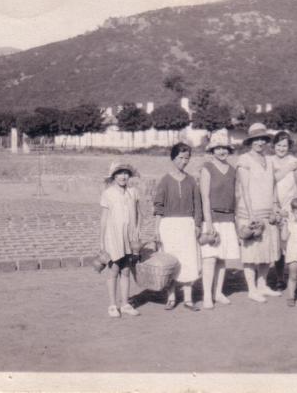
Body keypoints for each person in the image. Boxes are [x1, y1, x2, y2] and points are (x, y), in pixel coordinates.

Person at [154, 142, 203, 312]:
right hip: (169, 226)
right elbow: (159, 207)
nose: (184, 161)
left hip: (187, 225)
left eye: (187, 158)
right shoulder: (165, 181)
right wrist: (156, 230)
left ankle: (188, 299)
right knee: (171, 261)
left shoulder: (191, 181)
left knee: (188, 261)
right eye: (180, 158)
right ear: (173, 158)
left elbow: (198, 205)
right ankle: (171, 297)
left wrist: (197, 224)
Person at [236, 123, 282, 303]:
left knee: (266, 252)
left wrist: (275, 206)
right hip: (251, 213)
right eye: (256, 139)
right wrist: (251, 215)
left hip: (267, 212)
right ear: (250, 141)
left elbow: (273, 186)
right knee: (251, 253)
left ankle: (262, 285)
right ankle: (252, 289)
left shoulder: (270, 161)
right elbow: (244, 189)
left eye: (263, 139)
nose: (260, 143)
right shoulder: (244, 160)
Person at [199, 132, 241, 309]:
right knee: (210, 258)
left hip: (228, 218)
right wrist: (209, 223)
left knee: (223, 258)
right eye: (218, 148)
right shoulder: (207, 168)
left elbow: (235, 197)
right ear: (212, 150)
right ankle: (207, 295)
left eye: (225, 148)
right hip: (212, 218)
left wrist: (236, 222)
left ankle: (218, 292)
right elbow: (205, 197)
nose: (222, 151)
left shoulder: (232, 170)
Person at [99, 162, 142, 317]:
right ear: (114, 176)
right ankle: (112, 305)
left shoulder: (133, 192)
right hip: (113, 236)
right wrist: (101, 241)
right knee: (114, 269)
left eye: (125, 173)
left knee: (126, 270)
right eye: (119, 173)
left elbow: (139, 214)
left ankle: (125, 304)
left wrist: (137, 231)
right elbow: (104, 219)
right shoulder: (108, 193)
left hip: (129, 236)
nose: (123, 176)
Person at [269, 131, 297, 291]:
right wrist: (287, 168)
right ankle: (280, 278)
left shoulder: (295, 161)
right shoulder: (268, 161)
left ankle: (296, 278)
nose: (281, 148)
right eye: (279, 145)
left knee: (294, 244)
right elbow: (270, 181)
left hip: (292, 207)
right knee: (278, 245)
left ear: (289, 147)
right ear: (274, 145)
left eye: (285, 146)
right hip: (274, 206)